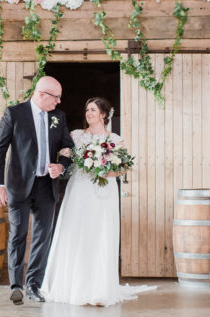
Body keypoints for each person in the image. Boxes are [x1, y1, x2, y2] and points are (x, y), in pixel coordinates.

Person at [40, 97, 155, 306]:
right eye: (87, 110)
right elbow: (65, 155)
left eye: (93, 110)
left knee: (101, 234)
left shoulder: (115, 139)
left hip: (104, 191)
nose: (88, 113)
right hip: (80, 190)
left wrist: (111, 171)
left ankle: (100, 288)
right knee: (77, 233)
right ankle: (72, 286)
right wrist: (60, 163)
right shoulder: (76, 136)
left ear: (103, 114)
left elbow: (123, 166)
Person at [0, 76, 75, 305]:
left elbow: (68, 146)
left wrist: (62, 166)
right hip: (18, 186)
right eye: (55, 97)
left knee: (42, 237)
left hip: (46, 186)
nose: (58, 102)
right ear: (41, 94)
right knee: (17, 235)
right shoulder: (14, 113)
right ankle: (16, 285)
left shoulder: (58, 117)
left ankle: (34, 286)